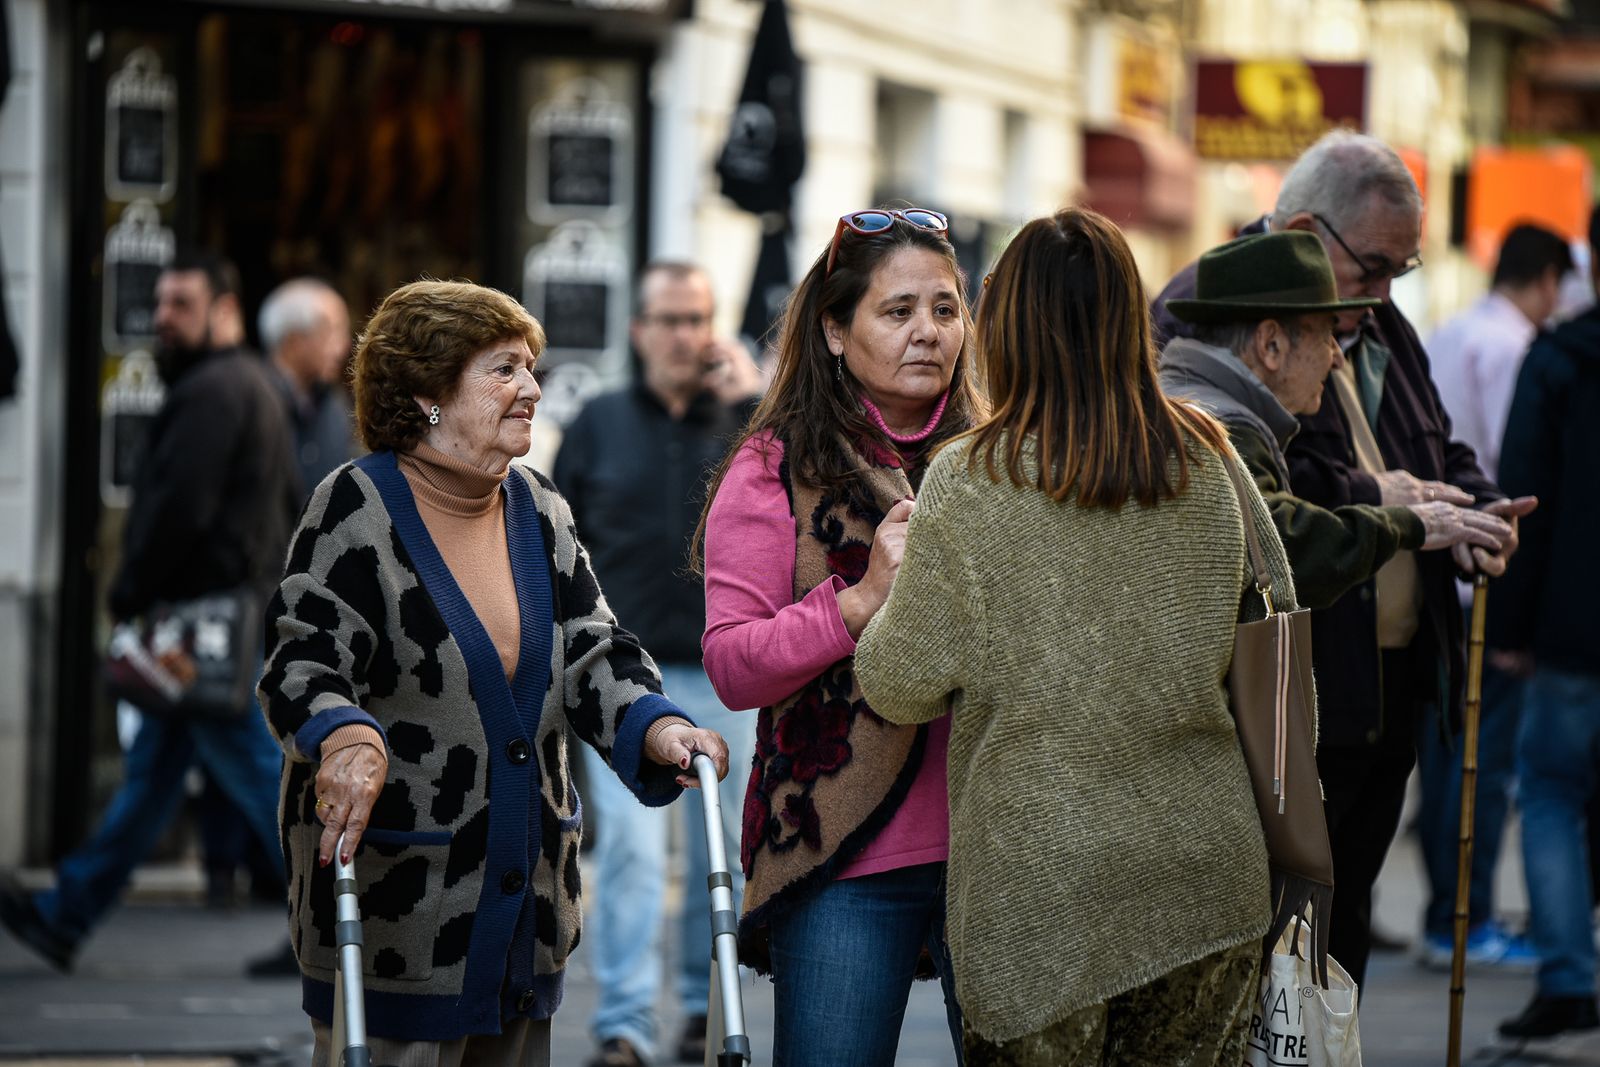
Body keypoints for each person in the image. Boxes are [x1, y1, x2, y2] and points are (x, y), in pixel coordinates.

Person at [256, 279, 730, 1065]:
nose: (532, 389)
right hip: (398, 923)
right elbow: (300, 660)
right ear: (429, 394)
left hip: (524, 924)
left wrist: (657, 723)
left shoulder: (538, 507)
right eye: (505, 368)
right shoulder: (356, 505)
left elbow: (592, 647)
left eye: (531, 367)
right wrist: (343, 735)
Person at [853, 208, 1285, 1064]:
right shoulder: (1211, 458)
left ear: (1007, 325)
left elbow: (899, 683)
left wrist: (874, 591)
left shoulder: (971, 479)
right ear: (1129, 318)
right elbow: (1281, 664)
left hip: (1037, 893)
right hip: (1206, 874)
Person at [1152, 130, 1534, 987]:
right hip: (1296, 683)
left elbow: (1432, 440)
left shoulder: (1376, 314)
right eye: (1373, 267)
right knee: (1284, 940)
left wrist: (1470, 507)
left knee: (1339, 930)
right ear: (1304, 229)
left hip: (1385, 679)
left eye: (1402, 269)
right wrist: (1400, 511)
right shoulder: (1208, 304)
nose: (1383, 293)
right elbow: (1260, 502)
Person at [698, 207, 982, 1065]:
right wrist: (856, 604)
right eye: (898, 310)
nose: (928, 331)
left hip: (1000, 845)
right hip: (839, 856)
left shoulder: (1002, 459)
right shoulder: (775, 463)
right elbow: (732, 663)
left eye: (945, 308)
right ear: (833, 329)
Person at [0, 251, 297, 972]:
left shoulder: (215, 391)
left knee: (266, 781)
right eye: (160, 302)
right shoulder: (251, 385)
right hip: (216, 626)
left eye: (181, 304)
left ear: (226, 310)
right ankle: (65, 915)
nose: (162, 317)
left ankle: (345, 928)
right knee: (153, 781)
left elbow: (178, 511)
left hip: (202, 631)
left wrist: (132, 590)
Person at [553, 261, 761, 1067]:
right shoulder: (597, 422)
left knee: (722, 850)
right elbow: (553, 544)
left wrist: (756, 403)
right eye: (669, 320)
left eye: (697, 318)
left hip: (728, 673)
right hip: (624, 680)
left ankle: (704, 1009)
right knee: (634, 855)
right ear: (639, 330)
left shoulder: (747, 423)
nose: (684, 335)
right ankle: (625, 1026)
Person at [1158, 230, 1511, 611]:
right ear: (1271, 344)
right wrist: (1409, 523)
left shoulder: (1192, 403)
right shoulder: (1223, 427)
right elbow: (1285, 547)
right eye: (1328, 335)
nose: (1337, 358)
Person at [1412, 223, 1573, 971]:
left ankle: (1448, 914)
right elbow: (1519, 468)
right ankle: (1462, 918)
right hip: (1483, 573)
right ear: (1546, 280)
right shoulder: (1513, 349)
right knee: (1479, 760)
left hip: (1435, 564)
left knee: (1445, 752)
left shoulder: (1450, 332)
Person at [1491, 204, 1600, 1040]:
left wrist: (1509, 627)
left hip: (1573, 625)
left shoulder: (1561, 358)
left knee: (1554, 792)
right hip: (1571, 626)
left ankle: (1567, 976)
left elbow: (1525, 496)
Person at [260, 277, 360, 501]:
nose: (344, 345)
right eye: (331, 331)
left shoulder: (333, 405)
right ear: (294, 340)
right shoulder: (255, 403)